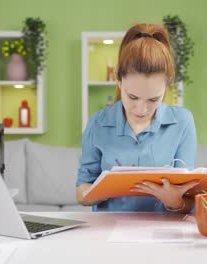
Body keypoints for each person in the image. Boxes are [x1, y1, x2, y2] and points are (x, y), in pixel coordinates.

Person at [76, 23, 198, 212]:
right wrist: (108, 189)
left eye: (153, 99)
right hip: (108, 232)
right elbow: (82, 191)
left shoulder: (183, 122)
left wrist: (175, 201)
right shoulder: (98, 123)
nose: (141, 109)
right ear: (118, 80)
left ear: (167, 86)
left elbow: (190, 201)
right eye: (132, 97)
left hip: (162, 232)